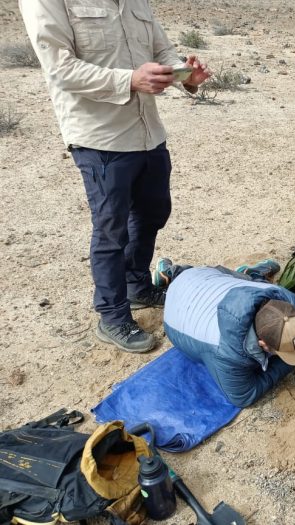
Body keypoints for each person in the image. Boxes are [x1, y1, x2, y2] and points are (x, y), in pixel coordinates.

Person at [19, 1, 211, 353]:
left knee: (154, 212)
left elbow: (161, 48)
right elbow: (60, 68)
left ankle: (137, 285)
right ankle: (112, 315)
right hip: (100, 137)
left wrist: (185, 74)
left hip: (148, 132)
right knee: (111, 230)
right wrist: (130, 79)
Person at [163, 265, 295, 408]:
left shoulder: (285, 302)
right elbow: (243, 395)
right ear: (262, 344)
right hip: (176, 312)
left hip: (205, 275)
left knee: (245, 280)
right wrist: (289, 363)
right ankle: (172, 272)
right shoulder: (226, 352)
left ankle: (251, 273)